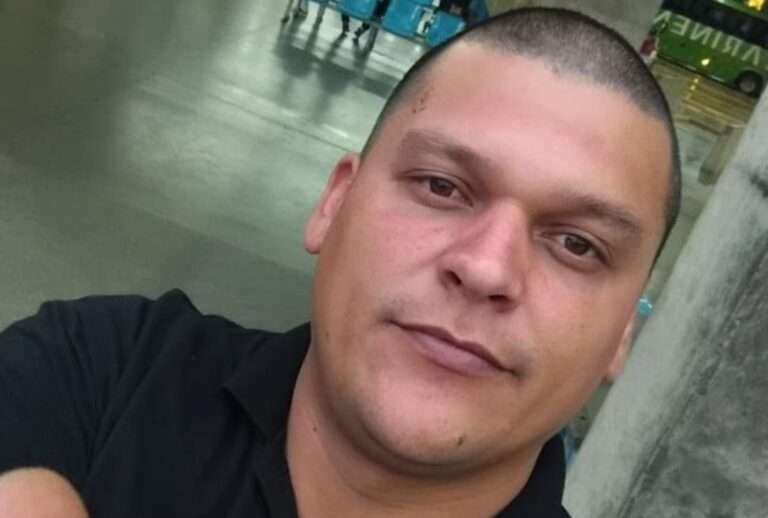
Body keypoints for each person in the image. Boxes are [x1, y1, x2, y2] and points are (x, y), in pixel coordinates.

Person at [0, 7, 680, 518]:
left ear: (625, 329)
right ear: (334, 202)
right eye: (441, 186)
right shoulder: (103, 373)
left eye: (578, 244)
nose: (485, 268)